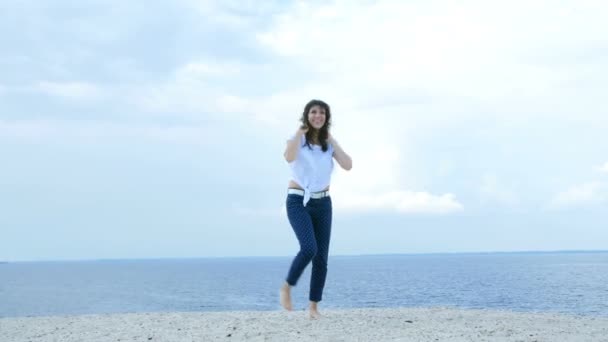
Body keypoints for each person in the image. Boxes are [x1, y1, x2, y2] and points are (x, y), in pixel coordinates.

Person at [280, 99, 352, 319]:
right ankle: (287, 286)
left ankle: (313, 307)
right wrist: (297, 133)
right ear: (307, 115)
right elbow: (288, 157)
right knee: (309, 248)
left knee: (321, 258)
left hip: (323, 203)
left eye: (322, 113)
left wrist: (332, 140)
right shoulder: (298, 139)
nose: (317, 116)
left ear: (326, 117)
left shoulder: (328, 144)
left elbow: (348, 165)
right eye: (313, 112)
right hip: (298, 200)